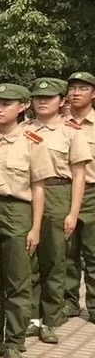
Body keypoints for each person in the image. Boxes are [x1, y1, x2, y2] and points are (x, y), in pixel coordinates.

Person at [0, 83, 55, 358]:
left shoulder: (33, 142)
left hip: (18, 211)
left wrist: (35, 228)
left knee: (18, 280)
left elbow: (38, 188)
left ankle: (14, 342)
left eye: (5, 104)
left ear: (22, 107)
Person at [29, 77, 91, 343]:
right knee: (29, 259)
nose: (42, 102)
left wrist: (73, 212)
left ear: (61, 102)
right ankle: (31, 316)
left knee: (55, 260)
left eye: (49, 98)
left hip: (58, 193)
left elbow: (79, 176)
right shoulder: (22, 130)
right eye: (38, 97)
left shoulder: (71, 133)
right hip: (28, 196)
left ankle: (50, 319)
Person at [66, 71, 95, 319]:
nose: (76, 93)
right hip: (65, 191)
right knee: (67, 251)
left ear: (93, 94)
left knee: (93, 251)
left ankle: (94, 305)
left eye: (82, 88)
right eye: (73, 88)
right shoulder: (59, 123)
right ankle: (69, 302)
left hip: (93, 193)